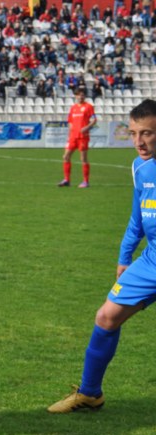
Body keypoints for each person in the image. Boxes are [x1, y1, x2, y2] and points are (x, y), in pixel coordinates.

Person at [48, 99, 156, 414]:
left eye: (148, 133)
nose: (139, 142)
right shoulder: (140, 166)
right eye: (135, 133)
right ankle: (90, 394)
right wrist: (125, 257)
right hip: (150, 260)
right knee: (106, 317)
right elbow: (138, 218)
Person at [59, 89, 97, 188]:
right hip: (73, 137)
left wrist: (87, 127)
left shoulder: (88, 107)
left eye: (82, 95)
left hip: (83, 137)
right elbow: (70, 121)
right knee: (66, 156)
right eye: (79, 95)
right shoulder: (73, 108)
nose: (81, 97)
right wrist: (71, 130)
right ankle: (66, 180)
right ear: (75, 96)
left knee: (83, 158)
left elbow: (94, 120)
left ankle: (86, 181)